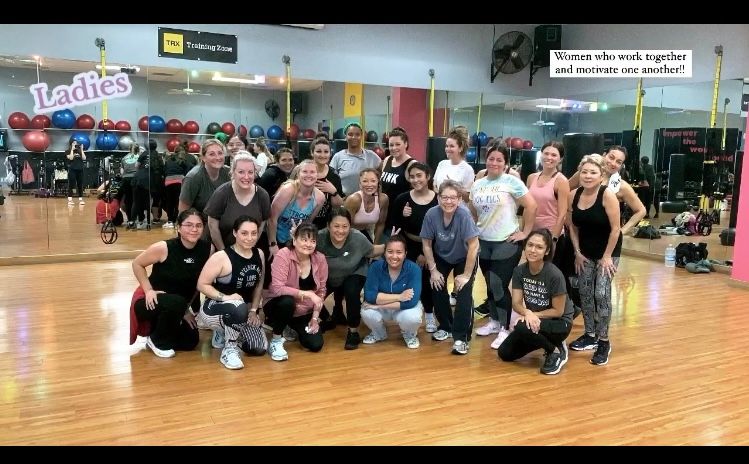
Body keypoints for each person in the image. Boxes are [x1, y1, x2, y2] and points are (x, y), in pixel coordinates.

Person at [469, 141, 537, 350]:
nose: (494, 163)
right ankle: (494, 322)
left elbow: (531, 205)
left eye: (499, 160)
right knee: (490, 284)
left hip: (506, 241)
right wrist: (475, 230)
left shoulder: (512, 182)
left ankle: (505, 328)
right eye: (491, 159)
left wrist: (524, 233)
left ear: (506, 164)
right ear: (486, 160)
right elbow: (473, 208)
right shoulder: (478, 183)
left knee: (499, 284)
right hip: (484, 241)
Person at [129, 209, 212, 358]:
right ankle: (158, 341)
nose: (194, 229)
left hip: (177, 306)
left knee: (190, 341)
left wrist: (186, 311)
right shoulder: (164, 247)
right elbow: (137, 264)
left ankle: (156, 332)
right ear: (179, 227)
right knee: (176, 302)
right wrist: (148, 290)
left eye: (198, 225)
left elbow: (198, 284)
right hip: (151, 302)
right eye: (188, 225)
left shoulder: (207, 249)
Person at [567, 155, 621, 366]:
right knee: (585, 292)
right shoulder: (574, 194)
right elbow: (572, 226)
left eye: (593, 173)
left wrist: (607, 256)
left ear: (601, 176)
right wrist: (577, 252)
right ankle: (590, 334)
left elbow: (616, 229)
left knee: (601, 292)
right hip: (585, 252)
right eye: (585, 172)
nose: (588, 176)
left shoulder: (607, 195)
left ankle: (604, 341)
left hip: (608, 251)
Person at [497, 229, 574, 375]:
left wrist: (533, 315)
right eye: (530, 245)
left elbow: (558, 311)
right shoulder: (519, 271)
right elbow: (516, 303)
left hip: (560, 323)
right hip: (536, 322)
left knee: (521, 326)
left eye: (539, 247)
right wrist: (527, 313)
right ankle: (549, 342)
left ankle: (555, 351)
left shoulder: (554, 274)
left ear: (546, 251)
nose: (533, 250)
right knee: (505, 353)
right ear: (525, 246)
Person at [196, 216, 267, 370]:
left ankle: (228, 331)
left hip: (244, 310)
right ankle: (229, 347)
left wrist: (254, 310)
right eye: (244, 233)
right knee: (237, 306)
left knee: (258, 348)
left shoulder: (259, 254)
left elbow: (259, 285)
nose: (249, 238)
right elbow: (201, 284)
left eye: (253, 233)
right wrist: (226, 297)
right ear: (235, 233)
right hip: (215, 307)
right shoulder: (221, 257)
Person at [421, 179, 480, 355]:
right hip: (442, 255)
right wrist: (433, 270)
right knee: (436, 285)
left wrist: (466, 275)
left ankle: (461, 337)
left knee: (463, 292)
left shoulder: (464, 215)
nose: (448, 201)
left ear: (460, 199)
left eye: (453, 198)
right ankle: (446, 326)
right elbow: (426, 244)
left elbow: (474, 246)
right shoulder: (431, 214)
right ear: (438, 198)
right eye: (444, 197)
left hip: (465, 256)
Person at [316, 207, 384, 349]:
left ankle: (353, 331)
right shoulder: (319, 238)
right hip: (328, 275)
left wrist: (391, 245)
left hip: (354, 272)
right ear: (328, 226)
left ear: (350, 226)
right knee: (312, 294)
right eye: (336, 226)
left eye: (345, 226)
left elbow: (371, 251)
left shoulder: (357, 237)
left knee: (352, 291)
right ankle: (328, 319)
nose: (341, 230)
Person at [263, 222, 328, 361]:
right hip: (278, 303)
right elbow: (277, 288)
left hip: (304, 309)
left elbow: (322, 291)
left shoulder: (320, 259)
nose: (308, 244)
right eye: (304, 239)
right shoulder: (283, 254)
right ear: (294, 240)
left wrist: (315, 318)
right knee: (287, 302)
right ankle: (276, 340)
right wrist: (309, 293)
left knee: (315, 345)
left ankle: (289, 325)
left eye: (313, 241)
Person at [390, 162, 438, 332]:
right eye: (412, 176)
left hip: (433, 247)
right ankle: (409, 316)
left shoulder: (438, 199)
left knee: (429, 282)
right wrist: (404, 217)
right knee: (412, 282)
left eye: (419, 176)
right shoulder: (403, 199)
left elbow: (442, 229)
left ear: (428, 177)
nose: (416, 179)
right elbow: (396, 228)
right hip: (409, 246)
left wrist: (427, 253)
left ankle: (430, 315)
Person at [360, 235, 423, 349]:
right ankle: (379, 334)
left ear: (405, 254)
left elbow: (411, 302)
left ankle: (409, 335)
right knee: (367, 311)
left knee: (412, 317)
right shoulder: (375, 267)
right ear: (384, 253)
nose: (394, 256)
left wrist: (376, 305)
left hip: (402, 307)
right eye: (390, 251)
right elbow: (369, 296)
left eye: (399, 252)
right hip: (393, 303)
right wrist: (400, 296)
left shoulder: (414, 269)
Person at [203, 152, 271, 252]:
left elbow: (261, 225)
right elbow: (212, 226)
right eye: (241, 172)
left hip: (247, 250)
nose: (246, 177)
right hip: (220, 250)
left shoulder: (262, 195)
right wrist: (225, 253)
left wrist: (249, 247)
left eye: (250, 172)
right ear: (233, 172)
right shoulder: (222, 193)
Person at [267, 159, 325, 257]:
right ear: (298, 174)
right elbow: (272, 219)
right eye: (305, 171)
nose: (308, 175)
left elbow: (308, 223)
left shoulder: (320, 198)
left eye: (312, 172)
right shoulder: (288, 190)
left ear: (317, 175)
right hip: (276, 239)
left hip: (297, 242)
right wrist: (273, 244)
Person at [380, 127, 417, 236]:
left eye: (397, 144)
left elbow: (417, 192)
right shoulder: (387, 160)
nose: (394, 148)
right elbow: (382, 187)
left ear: (405, 144)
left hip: (400, 217)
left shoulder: (411, 164)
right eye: (391, 145)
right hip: (384, 214)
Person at [178, 139, 231, 214]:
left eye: (220, 153)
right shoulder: (193, 177)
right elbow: (183, 211)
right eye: (212, 154)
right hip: (200, 223)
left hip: (221, 221)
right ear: (203, 158)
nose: (218, 157)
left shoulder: (229, 172)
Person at [330, 122, 381, 197]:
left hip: (367, 201)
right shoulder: (338, 157)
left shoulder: (371, 156)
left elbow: (382, 173)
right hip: (345, 201)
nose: (354, 137)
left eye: (357, 134)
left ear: (362, 136)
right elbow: (331, 180)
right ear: (346, 137)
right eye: (350, 134)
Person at [344, 168, 389, 243]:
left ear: (378, 183)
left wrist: (375, 244)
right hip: (347, 233)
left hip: (365, 232)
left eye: (373, 181)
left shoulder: (383, 199)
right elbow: (344, 225)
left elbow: (380, 224)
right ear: (360, 184)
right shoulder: (354, 200)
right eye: (365, 181)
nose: (369, 185)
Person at [310, 134, 344, 230]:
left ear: (330, 154)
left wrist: (333, 191)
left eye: (326, 152)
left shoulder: (334, 175)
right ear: (312, 153)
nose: (322, 155)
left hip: (324, 224)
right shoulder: (303, 171)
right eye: (318, 151)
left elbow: (339, 205)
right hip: (301, 220)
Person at [433, 126, 475, 200]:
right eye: (446, 146)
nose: (448, 149)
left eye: (452, 146)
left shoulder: (467, 169)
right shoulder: (442, 164)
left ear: (460, 148)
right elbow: (435, 185)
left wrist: (454, 186)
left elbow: (468, 198)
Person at [162, 144, 189, 229]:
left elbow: (165, 171)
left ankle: (170, 221)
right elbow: (187, 173)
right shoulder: (183, 161)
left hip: (169, 182)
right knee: (178, 202)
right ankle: (178, 221)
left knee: (170, 203)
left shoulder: (168, 160)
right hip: (180, 182)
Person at [65, 139, 86, 205]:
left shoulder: (79, 151)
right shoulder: (67, 151)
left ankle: (80, 199)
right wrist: (72, 150)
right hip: (72, 169)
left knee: (80, 184)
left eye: (76, 143)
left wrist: (82, 149)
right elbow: (70, 158)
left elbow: (84, 158)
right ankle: (70, 199)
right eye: (74, 143)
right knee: (71, 184)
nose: (75, 144)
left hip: (80, 169)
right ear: (71, 144)